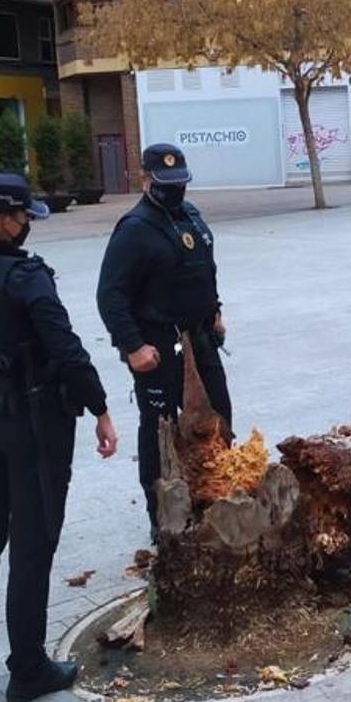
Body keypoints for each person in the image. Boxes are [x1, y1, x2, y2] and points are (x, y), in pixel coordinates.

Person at [0, 173, 117, 702]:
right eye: (23, 216)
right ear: (5, 220)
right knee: (32, 545)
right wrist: (100, 407)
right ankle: (28, 669)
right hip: (34, 424)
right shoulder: (25, 277)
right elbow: (66, 348)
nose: (27, 225)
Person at [97, 143, 231, 531]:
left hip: (200, 336)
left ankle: (217, 500)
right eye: (165, 182)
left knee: (219, 416)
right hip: (157, 343)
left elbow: (205, 269)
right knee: (161, 429)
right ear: (145, 180)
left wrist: (216, 310)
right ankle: (163, 519)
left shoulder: (191, 216)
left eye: (180, 182)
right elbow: (110, 295)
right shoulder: (135, 229)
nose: (174, 189)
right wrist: (132, 346)